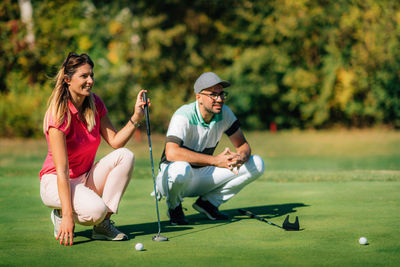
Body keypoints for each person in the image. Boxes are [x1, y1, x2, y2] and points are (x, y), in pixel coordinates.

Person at [39, 52, 147, 246]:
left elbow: (115, 142)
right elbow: (62, 172)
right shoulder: (58, 114)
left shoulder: (95, 103)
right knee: (96, 210)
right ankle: (59, 212)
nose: (90, 81)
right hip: (55, 182)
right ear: (67, 79)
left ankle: (102, 225)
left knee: (125, 156)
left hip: (83, 178)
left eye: (92, 75)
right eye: (84, 76)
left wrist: (136, 118)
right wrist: (67, 215)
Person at [156, 72, 265, 225]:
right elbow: (172, 152)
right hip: (171, 178)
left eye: (221, 94)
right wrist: (215, 161)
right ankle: (174, 207)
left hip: (202, 175)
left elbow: (242, 145)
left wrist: (241, 157)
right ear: (198, 97)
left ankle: (208, 204)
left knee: (257, 164)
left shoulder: (225, 113)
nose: (219, 99)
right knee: (181, 168)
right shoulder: (183, 115)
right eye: (213, 95)